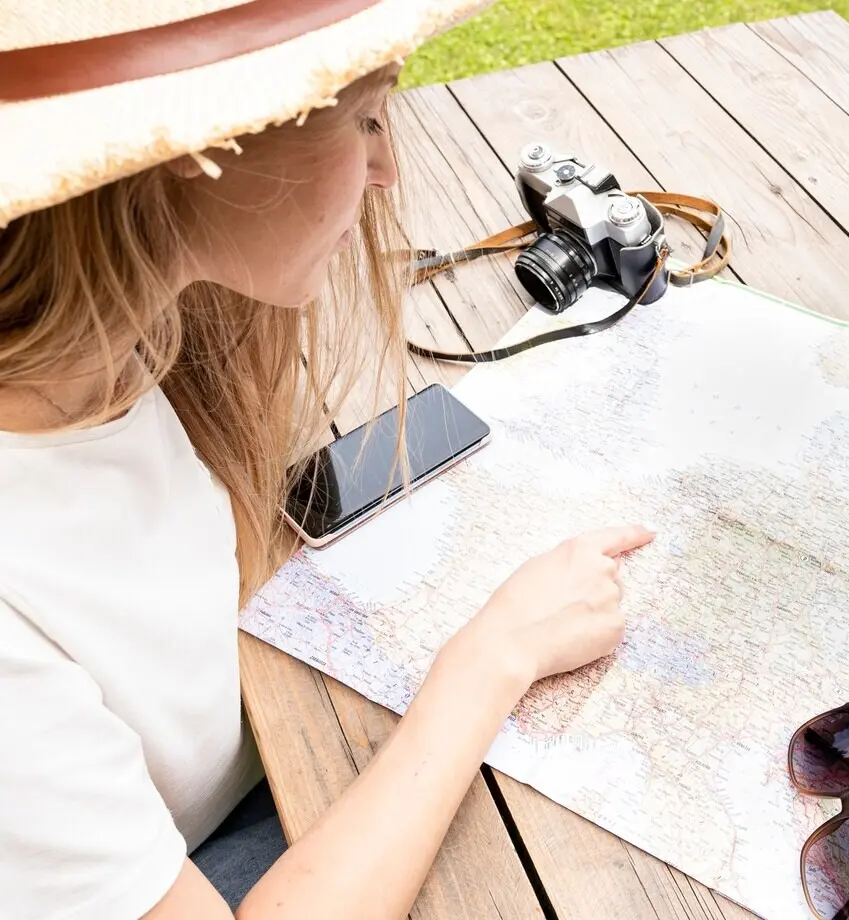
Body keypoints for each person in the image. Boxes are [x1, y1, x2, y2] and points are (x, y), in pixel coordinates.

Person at [0, 2, 654, 917]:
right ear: (203, 147)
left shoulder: (122, 344)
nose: (386, 171)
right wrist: (491, 660)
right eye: (363, 116)